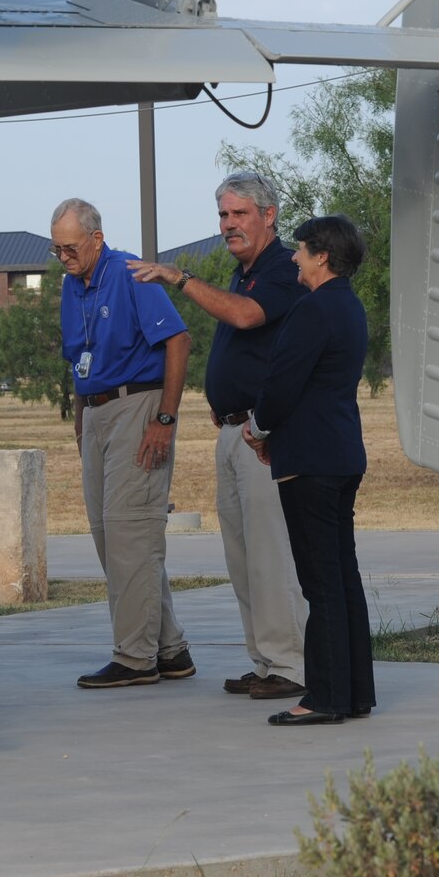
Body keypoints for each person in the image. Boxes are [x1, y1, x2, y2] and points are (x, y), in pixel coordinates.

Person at [128, 172, 307, 703]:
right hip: (232, 430)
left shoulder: (279, 268)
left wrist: (179, 279)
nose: (229, 225)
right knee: (242, 556)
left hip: (263, 435)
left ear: (269, 215)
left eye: (239, 215)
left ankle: (293, 664)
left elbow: (248, 317)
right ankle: (266, 660)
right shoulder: (242, 271)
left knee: (271, 554)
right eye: (224, 216)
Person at [51, 198, 196, 688]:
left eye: (71, 248)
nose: (65, 257)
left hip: (138, 406)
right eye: (57, 250)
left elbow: (178, 341)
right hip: (95, 413)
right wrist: (79, 421)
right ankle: (169, 649)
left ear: (96, 238)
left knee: (131, 531)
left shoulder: (130, 273)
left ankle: (135, 658)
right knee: (112, 537)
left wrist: (165, 418)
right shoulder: (70, 288)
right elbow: (78, 358)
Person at [243, 215, 375, 725]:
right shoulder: (350, 306)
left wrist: (257, 427)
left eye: (300, 250)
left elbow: (282, 383)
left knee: (319, 582)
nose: (294, 257)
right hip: (341, 454)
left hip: (311, 461)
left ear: (322, 255)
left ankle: (322, 697)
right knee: (342, 579)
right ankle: (353, 692)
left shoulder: (313, 308)